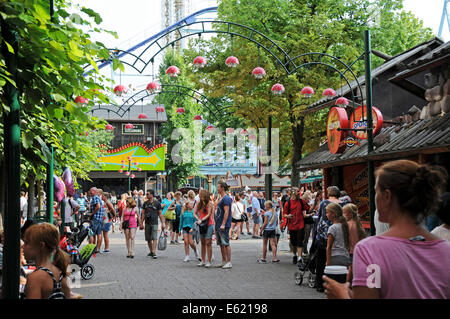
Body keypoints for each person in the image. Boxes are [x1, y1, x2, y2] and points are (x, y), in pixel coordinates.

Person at [323, 160, 450, 299]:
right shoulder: (445, 250)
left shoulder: (369, 250)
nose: (375, 198)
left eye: (376, 191)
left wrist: (341, 294)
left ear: (387, 196)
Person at [23, 223, 71, 299]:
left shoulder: (35, 278)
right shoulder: (61, 273)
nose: (23, 245)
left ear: (41, 246)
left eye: (26, 243)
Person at [314, 186, 346, 292]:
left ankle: (320, 283)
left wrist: (317, 234)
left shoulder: (324, 203)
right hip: (339, 234)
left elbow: (319, 218)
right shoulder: (343, 203)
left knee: (321, 259)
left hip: (324, 235)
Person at [283, 187, 311, 266]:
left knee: (300, 241)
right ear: (293, 192)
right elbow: (284, 214)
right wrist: (288, 216)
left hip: (300, 225)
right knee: (293, 242)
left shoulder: (301, 201)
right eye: (298, 191)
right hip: (291, 226)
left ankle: (299, 258)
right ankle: (295, 255)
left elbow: (308, 209)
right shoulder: (287, 203)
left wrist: (315, 203)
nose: (299, 193)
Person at [343, 203, 366, 282]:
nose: (343, 215)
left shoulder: (348, 225)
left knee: (350, 270)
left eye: (344, 213)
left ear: (350, 213)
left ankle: (347, 285)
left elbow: (349, 240)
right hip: (358, 250)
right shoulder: (358, 224)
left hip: (351, 251)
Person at [214, 181, 233, 269]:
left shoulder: (226, 199)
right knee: (221, 244)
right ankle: (224, 261)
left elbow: (227, 212)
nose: (217, 188)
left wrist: (223, 224)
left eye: (218, 187)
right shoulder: (220, 198)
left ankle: (229, 262)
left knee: (225, 243)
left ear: (222, 188)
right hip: (218, 223)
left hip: (223, 224)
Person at [141, 190, 164, 259]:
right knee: (148, 239)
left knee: (154, 237)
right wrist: (141, 223)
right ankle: (151, 251)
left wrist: (163, 223)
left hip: (154, 222)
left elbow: (160, 214)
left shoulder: (157, 203)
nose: (146, 195)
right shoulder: (145, 203)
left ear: (152, 195)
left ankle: (154, 252)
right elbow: (143, 213)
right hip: (147, 223)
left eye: (147, 194)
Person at [325, 203, 350, 267]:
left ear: (333, 214)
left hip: (335, 257)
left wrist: (328, 262)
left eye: (327, 212)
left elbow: (329, 247)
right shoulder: (345, 225)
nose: (326, 214)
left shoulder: (332, 228)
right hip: (345, 256)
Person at [194, 189, 214, 267]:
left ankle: (208, 261)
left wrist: (201, 219)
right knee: (202, 243)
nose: (199, 196)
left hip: (208, 224)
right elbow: (194, 213)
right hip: (201, 224)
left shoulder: (210, 203)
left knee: (208, 242)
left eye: (201, 195)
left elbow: (209, 214)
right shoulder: (198, 203)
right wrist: (198, 219)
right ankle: (203, 260)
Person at [88, 187, 104, 254]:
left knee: (91, 233)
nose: (90, 193)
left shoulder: (95, 198)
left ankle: (91, 249)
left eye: (91, 192)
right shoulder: (98, 197)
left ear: (94, 192)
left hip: (95, 218)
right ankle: (97, 248)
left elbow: (98, 206)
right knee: (99, 234)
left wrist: (92, 213)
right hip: (99, 218)